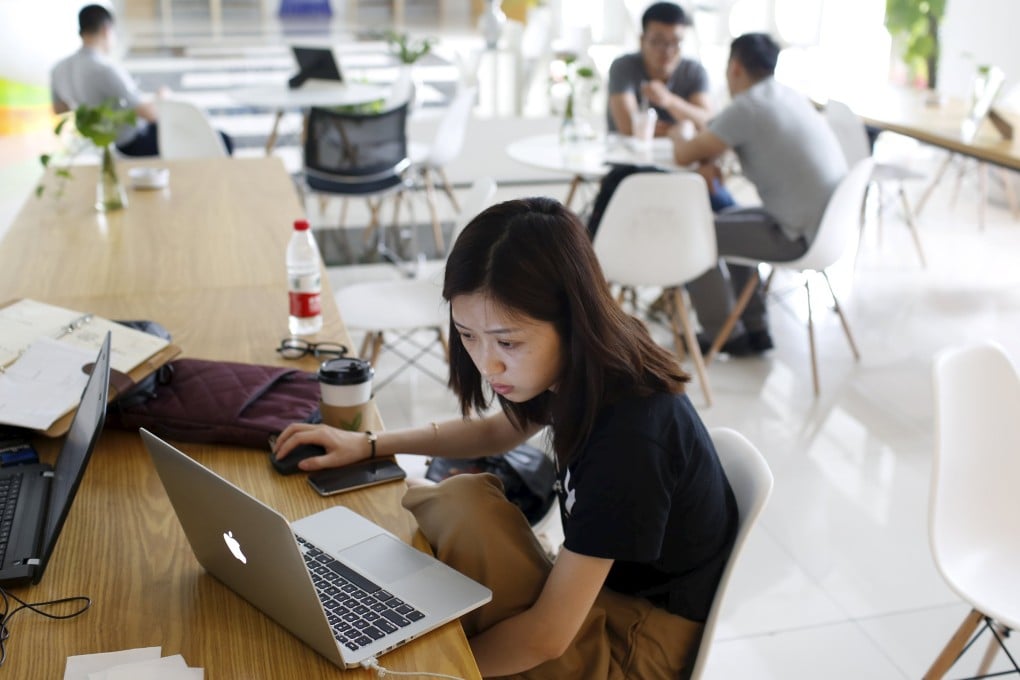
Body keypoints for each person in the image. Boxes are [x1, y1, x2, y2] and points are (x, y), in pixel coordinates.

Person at [274, 197, 738, 678]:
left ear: (571, 319)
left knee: (454, 514)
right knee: (460, 498)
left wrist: (434, 672)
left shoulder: (632, 438)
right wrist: (369, 444)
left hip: (639, 645)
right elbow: (498, 431)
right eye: (467, 335)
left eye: (507, 342)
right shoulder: (587, 360)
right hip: (599, 595)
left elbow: (546, 636)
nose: (486, 363)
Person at [669, 32, 848, 356]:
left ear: (735, 67)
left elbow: (685, 153)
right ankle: (754, 326)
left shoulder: (747, 107)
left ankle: (722, 333)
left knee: (691, 234)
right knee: (727, 220)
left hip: (797, 235)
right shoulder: (786, 95)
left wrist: (679, 130)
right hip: (827, 228)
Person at [50, 4, 233, 157]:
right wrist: (162, 99)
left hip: (96, 144)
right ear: (107, 30)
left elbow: (59, 109)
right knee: (223, 140)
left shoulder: (58, 68)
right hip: (130, 143)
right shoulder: (105, 69)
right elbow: (148, 113)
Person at [607, 2, 711, 137]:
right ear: (642, 40)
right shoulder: (623, 66)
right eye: (657, 41)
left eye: (675, 42)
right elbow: (628, 127)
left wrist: (669, 100)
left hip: (679, 156)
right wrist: (682, 129)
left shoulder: (694, 71)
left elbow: (708, 123)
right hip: (626, 155)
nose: (667, 50)